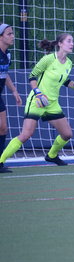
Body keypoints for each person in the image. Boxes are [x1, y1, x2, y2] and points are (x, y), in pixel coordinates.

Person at [0, 33, 74, 172]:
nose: (72, 44)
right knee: (26, 134)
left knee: (67, 134)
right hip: (37, 100)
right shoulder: (48, 59)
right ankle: (0, 161)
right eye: (69, 41)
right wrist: (38, 93)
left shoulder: (69, 63)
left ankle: (51, 155)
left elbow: (65, 80)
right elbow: (32, 76)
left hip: (52, 103)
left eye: (72, 41)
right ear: (60, 44)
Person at [0, 25, 22, 173]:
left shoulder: (7, 54)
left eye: (12, 33)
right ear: (0, 37)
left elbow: (5, 73)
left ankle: (0, 162)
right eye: (9, 34)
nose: (12, 36)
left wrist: (14, 91)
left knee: (3, 128)